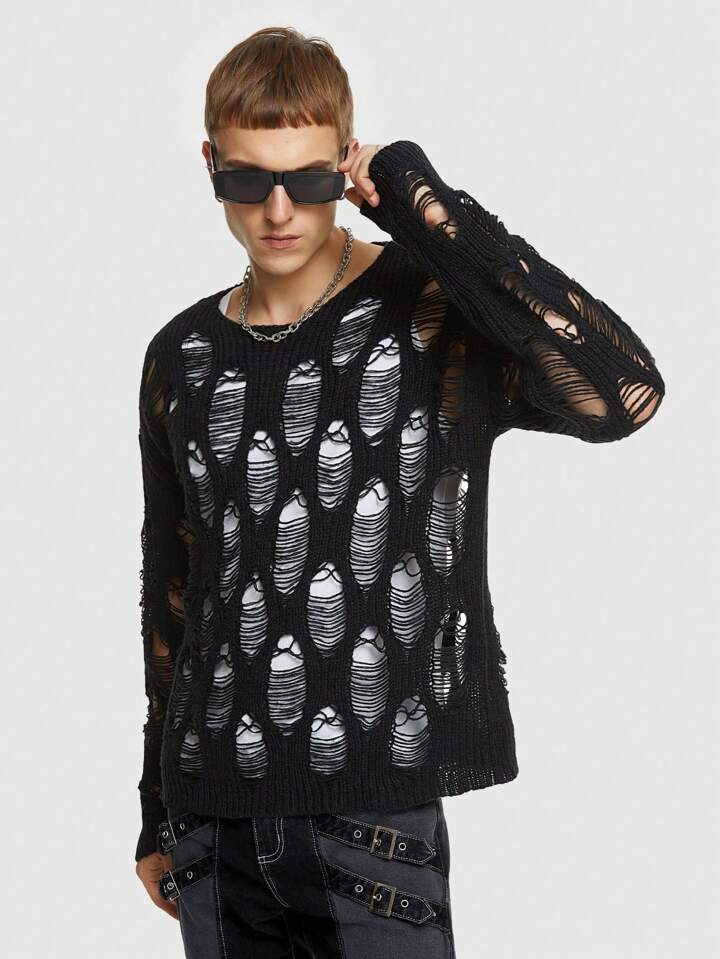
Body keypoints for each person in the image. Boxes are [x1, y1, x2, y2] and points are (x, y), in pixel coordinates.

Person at [133, 26, 665, 958]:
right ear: (210, 164)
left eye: (308, 178)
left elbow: (622, 392)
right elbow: (176, 588)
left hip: (372, 819)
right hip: (211, 822)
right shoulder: (182, 354)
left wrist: (423, 202)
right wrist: (153, 805)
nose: (279, 210)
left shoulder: (433, 313)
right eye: (249, 180)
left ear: (345, 162)